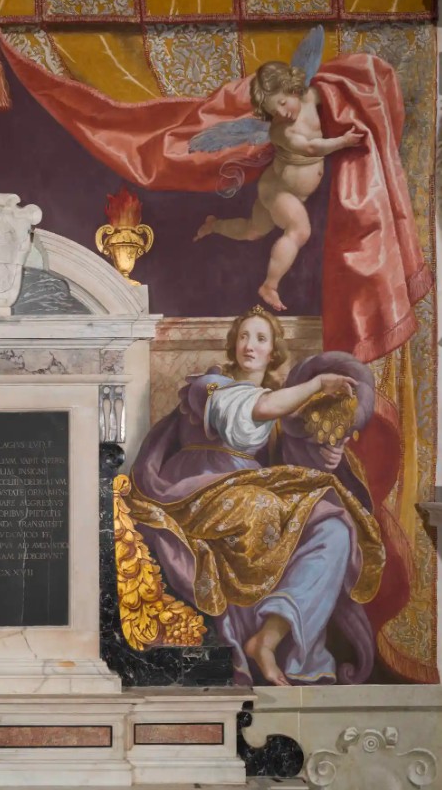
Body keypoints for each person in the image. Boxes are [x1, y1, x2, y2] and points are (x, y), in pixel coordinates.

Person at [128, 306, 386, 685]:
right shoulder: (210, 386)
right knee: (258, 505)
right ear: (234, 345)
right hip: (198, 488)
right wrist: (317, 384)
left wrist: (328, 454)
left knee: (334, 528)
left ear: (273, 351)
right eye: (244, 336)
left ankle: (269, 638)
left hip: (253, 487)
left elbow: (295, 451)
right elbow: (256, 410)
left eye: (261, 339)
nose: (250, 345)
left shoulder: (285, 407)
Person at [194, 61, 364, 312]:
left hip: (276, 187)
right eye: (275, 110)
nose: (282, 113)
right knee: (299, 230)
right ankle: (269, 285)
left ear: (293, 88)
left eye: (283, 103)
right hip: (280, 191)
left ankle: (214, 225)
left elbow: (335, 92)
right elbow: (310, 148)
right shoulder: (280, 131)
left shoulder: (311, 97)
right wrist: (343, 142)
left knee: (253, 230)